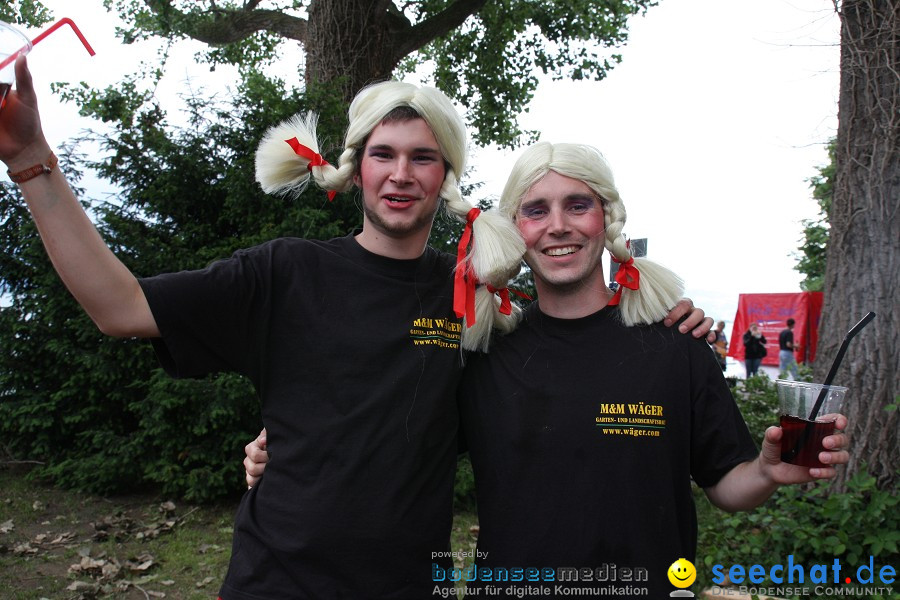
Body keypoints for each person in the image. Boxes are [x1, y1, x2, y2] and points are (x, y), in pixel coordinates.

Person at [0, 55, 711, 599]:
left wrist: (675, 330)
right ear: (356, 169)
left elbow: (568, 366)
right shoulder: (284, 274)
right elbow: (117, 307)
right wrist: (31, 163)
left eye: (422, 157)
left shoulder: (477, 297)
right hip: (277, 581)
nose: (402, 174)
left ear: (446, 177)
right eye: (384, 154)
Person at [247, 142, 849, 599]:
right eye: (536, 211)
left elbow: (726, 486)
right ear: (516, 230)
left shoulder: (675, 345)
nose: (558, 226)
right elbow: (390, 442)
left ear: (604, 219)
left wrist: (767, 470)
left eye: (577, 206)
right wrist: (288, 447)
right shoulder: (483, 351)